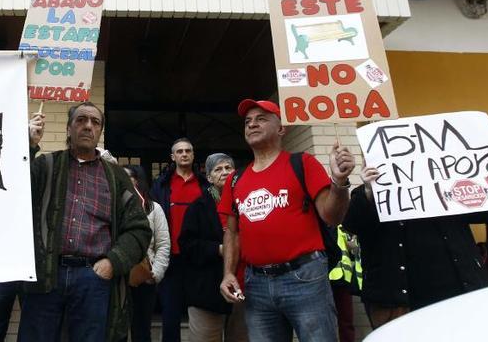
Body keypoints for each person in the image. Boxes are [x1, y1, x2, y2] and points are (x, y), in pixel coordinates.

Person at [219, 99, 354, 342]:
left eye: (261, 119)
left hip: (305, 277)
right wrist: (228, 273)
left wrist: (339, 182)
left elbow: (331, 216)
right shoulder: (235, 179)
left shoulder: (302, 163)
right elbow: (232, 233)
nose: (252, 125)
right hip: (255, 283)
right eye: (248, 121)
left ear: (282, 128)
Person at [344, 146, 488, 329]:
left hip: (460, 294)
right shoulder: (367, 194)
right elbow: (352, 224)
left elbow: (486, 213)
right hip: (402, 303)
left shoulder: (447, 186)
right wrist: (370, 192)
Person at [19, 102, 151, 342]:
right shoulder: (46, 166)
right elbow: (12, 191)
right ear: (69, 129)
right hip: (47, 276)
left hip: (93, 279)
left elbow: (139, 229)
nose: (88, 126)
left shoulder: (116, 176)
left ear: (100, 131)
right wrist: (28, 145)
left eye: (95, 122)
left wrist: (113, 261)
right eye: (81, 120)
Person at [179, 153, 246, 342]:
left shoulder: (246, 202)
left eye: (228, 168)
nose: (224, 172)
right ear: (209, 177)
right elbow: (187, 245)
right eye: (218, 169)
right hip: (207, 291)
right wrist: (219, 249)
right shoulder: (198, 207)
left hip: (244, 289)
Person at [150, 137, 207, 342]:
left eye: (188, 151)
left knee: (203, 314)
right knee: (170, 313)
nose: (184, 154)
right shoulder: (162, 185)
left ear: (193, 155)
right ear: (172, 156)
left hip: (199, 261)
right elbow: (152, 220)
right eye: (180, 151)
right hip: (171, 259)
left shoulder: (204, 184)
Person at [124, 164, 170, 342]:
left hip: (145, 275)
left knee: (142, 330)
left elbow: (163, 244)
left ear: (138, 180)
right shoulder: (113, 205)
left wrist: (156, 274)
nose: (125, 180)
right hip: (118, 276)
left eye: (129, 177)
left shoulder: (154, 208)